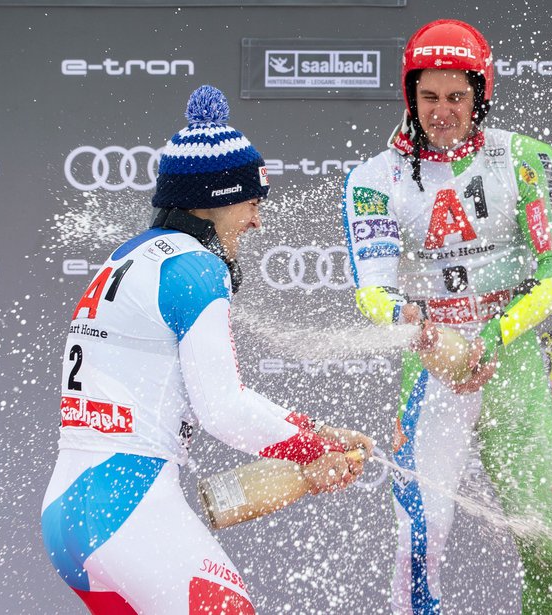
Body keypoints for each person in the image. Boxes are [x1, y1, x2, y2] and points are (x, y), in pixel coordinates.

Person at [41, 85, 373, 615]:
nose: (257, 220)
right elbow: (224, 410)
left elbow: (207, 398)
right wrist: (311, 448)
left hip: (70, 513)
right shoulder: (198, 268)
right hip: (128, 509)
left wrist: (311, 434)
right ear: (217, 199)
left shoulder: (132, 255)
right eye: (251, 201)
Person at [341, 19, 552, 615]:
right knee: (420, 534)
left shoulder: (526, 159)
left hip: (513, 353)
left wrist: (496, 337)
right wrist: (418, 327)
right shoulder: (375, 178)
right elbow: (370, 291)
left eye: (456, 96)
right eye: (428, 97)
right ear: (409, 96)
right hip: (431, 362)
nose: (442, 111)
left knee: (542, 533)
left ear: (481, 94)